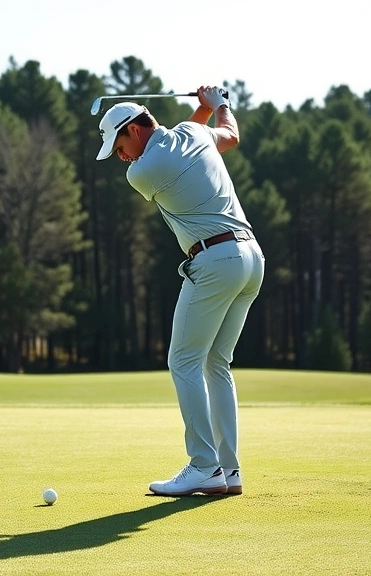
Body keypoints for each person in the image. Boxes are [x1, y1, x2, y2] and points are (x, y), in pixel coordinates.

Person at [96, 86, 265, 496]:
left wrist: (203, 109)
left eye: (119, 147)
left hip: (214, 262)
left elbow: (182, 139)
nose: (121, 158)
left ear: (134, 131)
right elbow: (228, 135)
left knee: (183, 361)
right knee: (216, 364)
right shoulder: (193, 134)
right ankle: (229, 470)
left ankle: (204, 465)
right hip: (251, 259)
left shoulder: (141, 172)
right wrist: (216, 104)